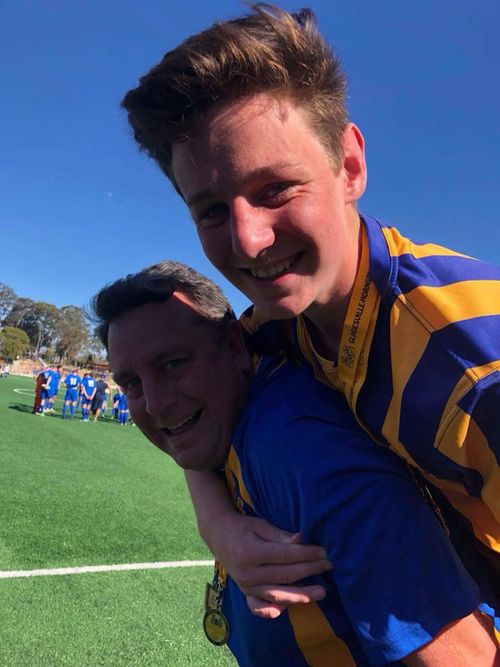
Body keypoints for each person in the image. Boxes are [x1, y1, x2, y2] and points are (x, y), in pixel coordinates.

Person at [121, 4, 500, 612]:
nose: (248, 241)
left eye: (275, 190)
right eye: (212, 211)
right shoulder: (280, 323)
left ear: (349, 166)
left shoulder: (473, 367)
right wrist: (216, 524)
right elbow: (187, 419)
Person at [91, 261, 499, 665]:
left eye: (173, 365)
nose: (156, 404)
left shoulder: (306, 454)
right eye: (131, 384)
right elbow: (190, 439)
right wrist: (215, 522)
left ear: (235, 347)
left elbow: (469, 658)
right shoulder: (231, 418)